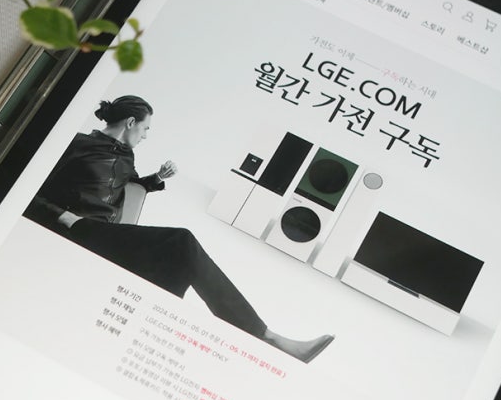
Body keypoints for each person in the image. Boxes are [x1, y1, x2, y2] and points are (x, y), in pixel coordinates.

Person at [23, 95, 334, 363]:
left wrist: (157, 178)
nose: (146, 136)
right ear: (131, 123)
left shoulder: (127, 156)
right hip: (77, 229)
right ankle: (265, 338)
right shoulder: (77, 144)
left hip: (107, 236)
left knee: (176, 266)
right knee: (181, 241)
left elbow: (127, 185)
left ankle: (141, 344)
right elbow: (26, 191)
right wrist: (63, 217)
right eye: (145, 128)